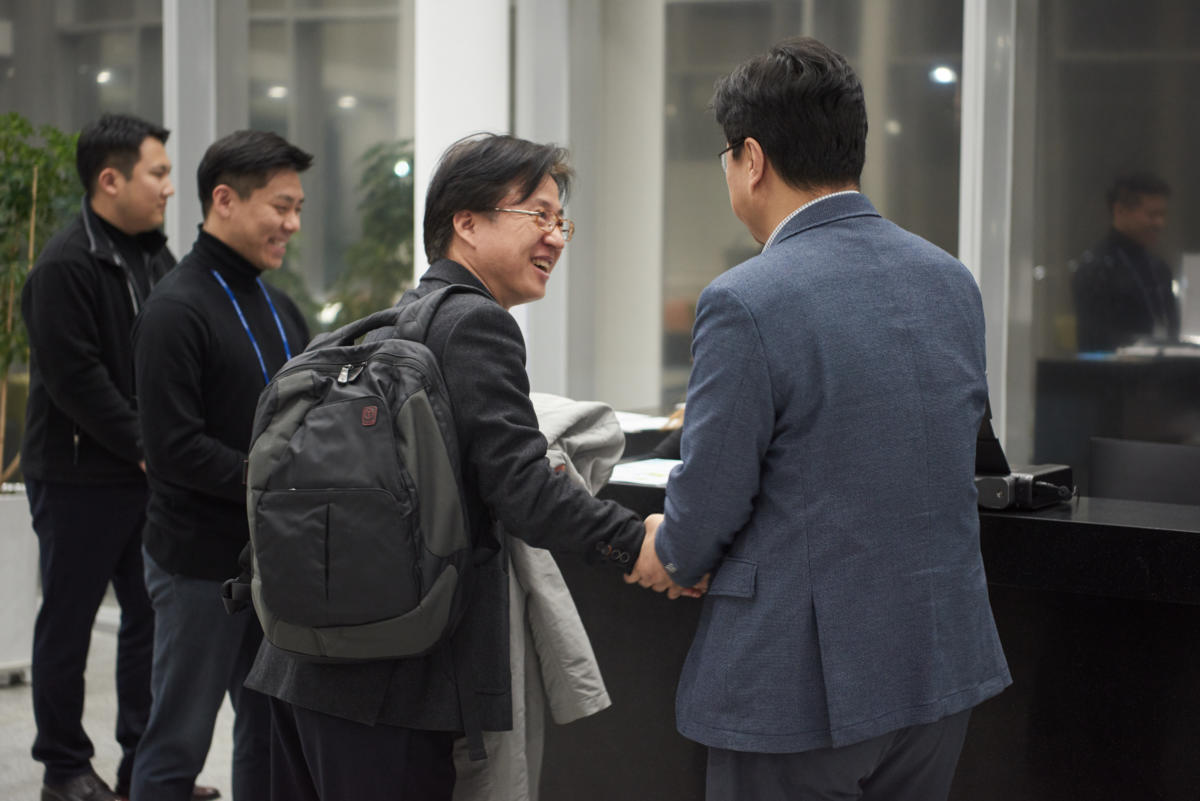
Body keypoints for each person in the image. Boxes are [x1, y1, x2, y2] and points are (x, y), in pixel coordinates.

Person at [626, 37, 1012, 801]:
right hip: (936, 666)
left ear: (752, 158)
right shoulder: (950, 281)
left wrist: (668, 545)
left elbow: (709, 500)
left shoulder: (746, 299)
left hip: (798, 689)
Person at [243, 133, 650, 801]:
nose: (555, 237)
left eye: (561, 220)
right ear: (467, 222)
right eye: (538, 215)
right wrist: (636, 543)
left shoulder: (388, 324)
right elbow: (525, 489)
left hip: (303, 663)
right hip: (392, 687)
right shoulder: (474, 323)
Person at [129, 130, 313, 801]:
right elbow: (173, 450)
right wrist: (278, 480)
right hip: (196, 566)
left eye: (298, 209)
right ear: (225, 200)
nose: (292, 224)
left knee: (267, 735)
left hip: (270, 561)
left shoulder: (278, 305)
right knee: (177, 740)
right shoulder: (174, 309)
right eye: (281, 207)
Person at [21, 113, 174, 801]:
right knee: (69, 622)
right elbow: (75, 381)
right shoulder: (63, 265)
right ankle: (63, 768)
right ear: (111, 180)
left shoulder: (155, 257)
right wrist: (149, 445)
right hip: (77, 475)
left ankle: (145, 764)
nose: (168, 187)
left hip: (144, 475)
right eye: (157, 173)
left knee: (150, 620)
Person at [1072, 172, 1179, 352]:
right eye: (1152, 215)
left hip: (1159, 365)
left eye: (1162, 214)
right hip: (1116, 368)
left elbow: (1171, 330)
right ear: (1120, 211)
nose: (1160, 223)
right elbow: (1095, 342)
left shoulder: (1159, 269)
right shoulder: (1096, 269)